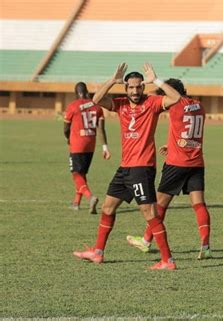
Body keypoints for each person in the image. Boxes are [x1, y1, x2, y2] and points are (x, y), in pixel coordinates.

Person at [73, 62, 182, 270]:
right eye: (131, 87)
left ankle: (168, 260)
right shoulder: (120, 103)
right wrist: (113, 80)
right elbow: (95, 100)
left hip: (142, 168)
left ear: (143, 86)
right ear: (126, 88)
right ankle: (98, 252)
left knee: (150, 213)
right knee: (107, 207)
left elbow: (176, 98)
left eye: (139, 86)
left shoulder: (153, 103)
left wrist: (157, 80)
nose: (135, 90)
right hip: (125, 168)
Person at [126, 79, 212, 259]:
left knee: (159, 205)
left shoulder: (176, 106)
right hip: (196, 162)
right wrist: (172, 145)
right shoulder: (200, 106)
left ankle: (146, 241)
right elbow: (187, 132)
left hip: (176, 164)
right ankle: (205, 245)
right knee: (199, 204)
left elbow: (161, 104)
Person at [64, 82, 110, 214]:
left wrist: (67, 138)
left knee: (76, 174)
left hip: (77, 144)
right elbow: (101, 128)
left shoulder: (73, 106)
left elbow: (66, 128)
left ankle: (90, 197)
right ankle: (76, 203)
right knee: (82, 173)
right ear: (86, 92)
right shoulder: (97, 106)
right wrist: (105, 147)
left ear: (76, 93)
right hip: (91, 144)